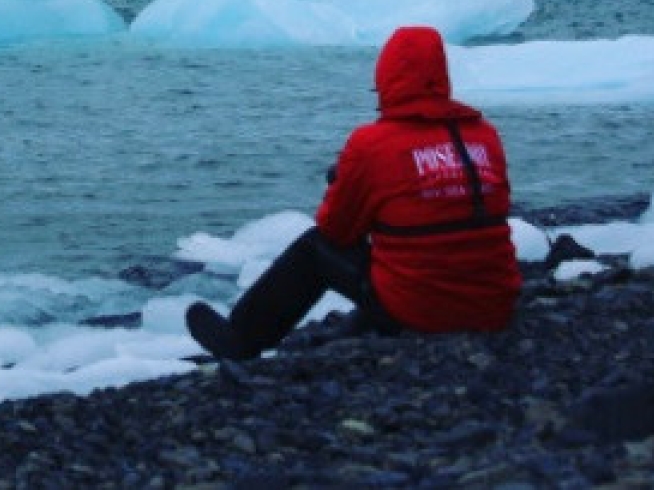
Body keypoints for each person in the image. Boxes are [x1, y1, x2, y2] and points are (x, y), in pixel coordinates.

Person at [186, 25, 521, 361]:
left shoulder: (372, 144)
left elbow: (336, 229)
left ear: (387, 78)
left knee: (316, 247)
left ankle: (242, 338)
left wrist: (345, 184)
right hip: (494, 306)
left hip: (421, 311)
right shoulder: (485, 135)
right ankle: (359, 327)